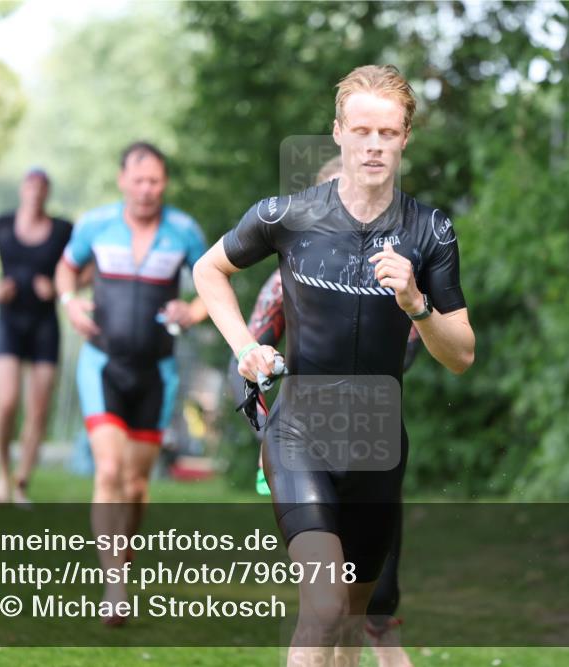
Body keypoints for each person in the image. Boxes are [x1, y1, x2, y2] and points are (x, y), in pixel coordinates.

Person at [194, 65, 474, 666]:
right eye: (363, 131)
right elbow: (208, 270)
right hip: (299, 433)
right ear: (339, 133)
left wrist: (417, 305)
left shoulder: (430, 231)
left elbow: (461, 355)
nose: (375, 145)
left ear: (404, 139)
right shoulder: (287, 216)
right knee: (322, 608)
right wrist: (246, 347)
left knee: (348, 625)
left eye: (389, 133)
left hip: (378, 444)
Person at [54, 141, 208, 624]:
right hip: (102, 365)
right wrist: (69, 302)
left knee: (137, 484)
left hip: (156, 372)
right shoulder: (95, 224)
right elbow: (65, 268)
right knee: (108, 472)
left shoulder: (184, 230)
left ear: (165, 184)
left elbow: (210, 286)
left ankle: (124, 559)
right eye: (138, 180)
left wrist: (194, 310)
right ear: (123, 180)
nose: (146, 190)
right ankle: (114, 585)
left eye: (155, 181)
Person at [0, 168, 73, 504]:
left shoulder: (62, 229)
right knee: (6, 402)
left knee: (38, 410)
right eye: (31, 186)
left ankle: (22, 481)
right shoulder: (0, 224)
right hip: (9, 323)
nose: (35, 192)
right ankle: (2, 471)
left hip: (44, 326)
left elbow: (85, 267)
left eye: (42, 187)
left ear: (48, 192)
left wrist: (58, 288)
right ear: (22, 189)